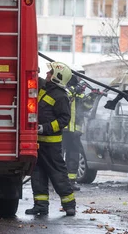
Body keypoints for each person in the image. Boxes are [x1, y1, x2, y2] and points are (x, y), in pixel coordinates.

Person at [25, 62, 76, 216]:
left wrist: (45, 128)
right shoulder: (46, 89)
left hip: (51, 145)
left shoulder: (61, 96)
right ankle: (40, 205)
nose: (47, 74)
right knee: (38, 174)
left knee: (57, 174)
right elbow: (37, 80)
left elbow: (64, 119)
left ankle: (69, 205)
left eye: (50, 72)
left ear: (56, 78)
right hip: (39, 143)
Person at [63, 68, 99, 191]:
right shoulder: (63, 87)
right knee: (57, 156)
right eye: (78, 76)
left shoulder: (79, 91)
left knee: (74, 155)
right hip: (63, 129)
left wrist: (92, 96)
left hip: (75, 130)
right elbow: (64, 100)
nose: (79, 79)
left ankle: (71, 181)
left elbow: (85, 107)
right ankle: (56, 180)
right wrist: (74, 91)